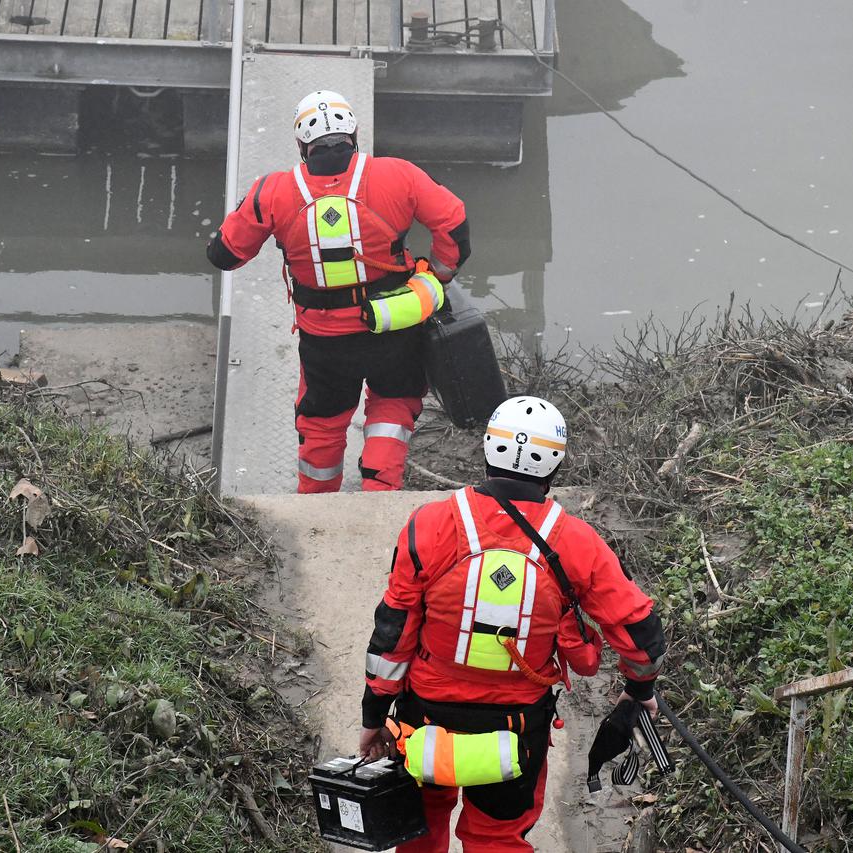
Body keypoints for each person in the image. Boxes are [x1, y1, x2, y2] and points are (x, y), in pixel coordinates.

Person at [357, 395, 667, 852]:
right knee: (497, 839)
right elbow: (640, 631)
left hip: (424, 720)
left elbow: (393, 632)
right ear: (556, 464)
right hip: (517, 728)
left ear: (486, 449)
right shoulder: (578, 543)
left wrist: (373, 715)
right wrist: (639, 691)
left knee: (418, 835)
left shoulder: (430, 524)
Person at [206, 90, 471, 494]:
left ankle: (316, 506)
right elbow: (453, 221)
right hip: (394, 325)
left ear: (301, 144)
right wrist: (439, 273)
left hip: (324, 341)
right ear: (354, 134)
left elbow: (224, 255)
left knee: (322, 421)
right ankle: (380, 493)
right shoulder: (398, 174)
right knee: (394, 404)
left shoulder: (273, 192)